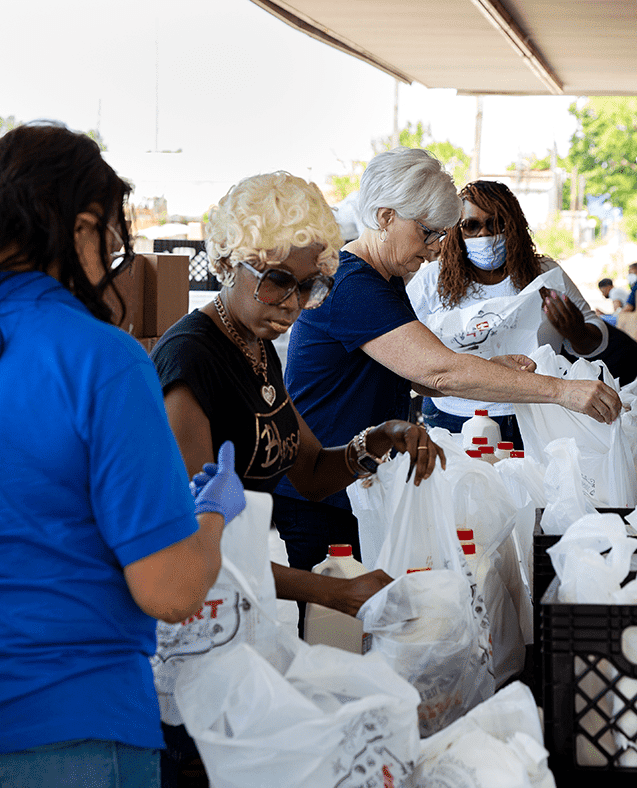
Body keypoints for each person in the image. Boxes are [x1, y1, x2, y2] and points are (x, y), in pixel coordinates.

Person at [0, 123, 243, 788]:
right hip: (65, 736)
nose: (107, 265)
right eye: (111, 243)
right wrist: (211, 518)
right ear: (82, 226)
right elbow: (170, 589)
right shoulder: (101, 360)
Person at [151, 170, 446, 788]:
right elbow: (186, 554)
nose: (291, 304)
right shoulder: (192, 363)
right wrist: (332, 592)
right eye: (278, 281)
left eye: (309, 287)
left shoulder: (255, 350)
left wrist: (377, 441)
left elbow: (308, 471)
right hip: (195, 642)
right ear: (230, 261)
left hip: (242, 618)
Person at [276, 147, 621, 553]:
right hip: (322, 491)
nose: (438, 247)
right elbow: (439, 371)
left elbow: (412, 372)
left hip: (353, 480)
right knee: (334, 613)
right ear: (386, 216)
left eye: (441, 234)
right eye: (428, 232)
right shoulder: (352, 285)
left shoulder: (383, 279)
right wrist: (563, 392)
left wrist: (488, 367)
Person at [406, 179, 611, 445]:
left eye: (496, 223)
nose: (484, 235)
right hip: (452, 416)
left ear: (512, 225)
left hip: (531, 413)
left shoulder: (545, 274)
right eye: (472, 225)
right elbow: (408, 349)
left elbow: (596, 341)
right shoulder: (431, 280)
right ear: (457, 230)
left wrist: (577, 331)